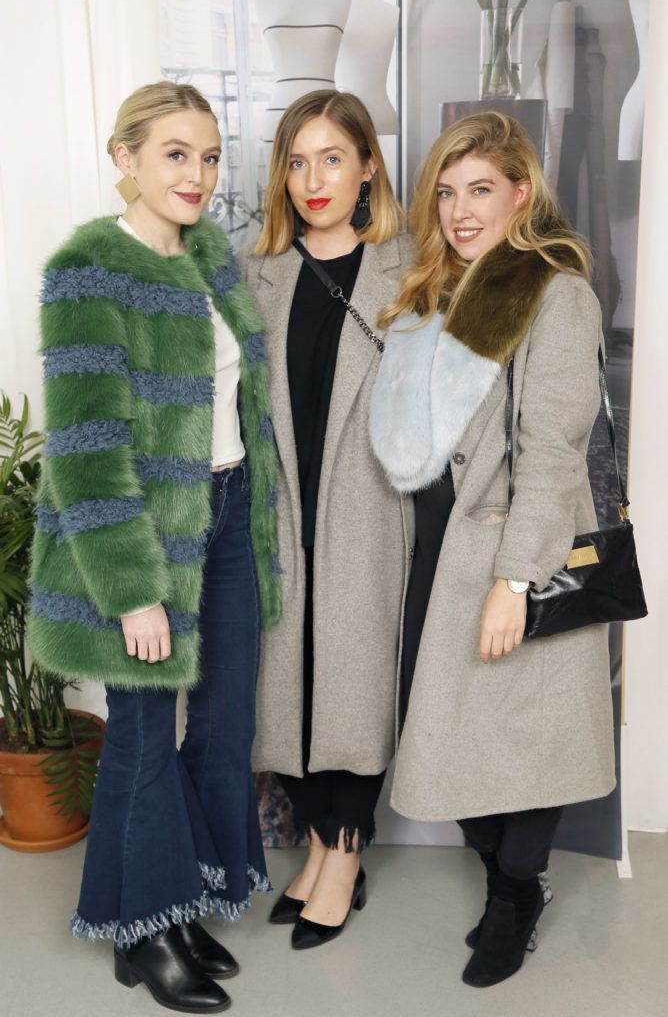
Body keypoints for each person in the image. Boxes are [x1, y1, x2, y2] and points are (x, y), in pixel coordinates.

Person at [27, 81, 281, 1014]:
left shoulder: (211, 256)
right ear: (125, 156)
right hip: (139, 533)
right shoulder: (90, 270)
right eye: (176, 153)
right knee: (140, 737)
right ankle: (141, 933)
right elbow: (87, 453)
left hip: (226, 513)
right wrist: (134, 591)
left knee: (220, 726)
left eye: (210, 156)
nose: (199, 176)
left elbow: (238, 408)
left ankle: (181, 905)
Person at [370, 111, 615, 987]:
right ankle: (504, 874)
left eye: (482, 190)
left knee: (527, 741)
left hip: (512, 552)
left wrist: (516, 579)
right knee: (445, 735)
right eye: (446, 192)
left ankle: (516, 896)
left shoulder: (552, 291)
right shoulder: (430, 295)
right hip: (433, 552)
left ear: (522, 193)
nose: (462, 211)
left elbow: (552, 449)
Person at [237, 90, 413, 949]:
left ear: (368, 167)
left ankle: (343, 862)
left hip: (372, 516)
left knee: (351, 688)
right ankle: (318, 852)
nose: (313, 179)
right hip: (278, 515)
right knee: (287, 688)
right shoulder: (254, 272)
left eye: (332, 159)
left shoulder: (411, 272)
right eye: (297, 161)